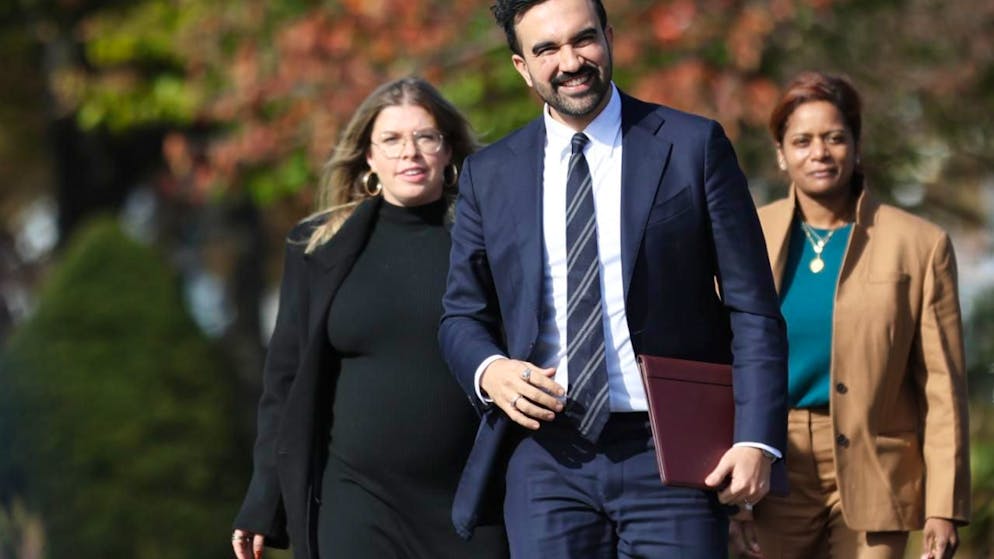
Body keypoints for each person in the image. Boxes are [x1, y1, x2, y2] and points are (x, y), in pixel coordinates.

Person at [438, 0, 789, 556]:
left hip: (671, 452)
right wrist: (491, 370)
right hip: (545, 459)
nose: (571, 61)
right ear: (521, 67)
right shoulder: (490, 173)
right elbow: (461, 314)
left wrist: (756, 438)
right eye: (547, 49)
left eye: (583, 39)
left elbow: (753, 307)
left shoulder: (693, 147)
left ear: (610, 36)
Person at [231, 77, 508, 559]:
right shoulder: (317, 247)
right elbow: (284, 385)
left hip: (472, 503)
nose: (411, 153)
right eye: (392, 140)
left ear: (448, 151)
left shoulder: (490, 240)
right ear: (369, 157)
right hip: (356, 500)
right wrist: (263, 499)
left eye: (426, 137)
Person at [730, 71, 970, 559]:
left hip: (877, 468)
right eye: (802, 141)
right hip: (775, 463)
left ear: (856, 146)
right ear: (781, 153)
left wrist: (943, 505)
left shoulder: (920, 245)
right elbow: (723, 360)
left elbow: (942, 388)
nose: (819, 153)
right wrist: (733, 499)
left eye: (835, 138)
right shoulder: (747, 234)